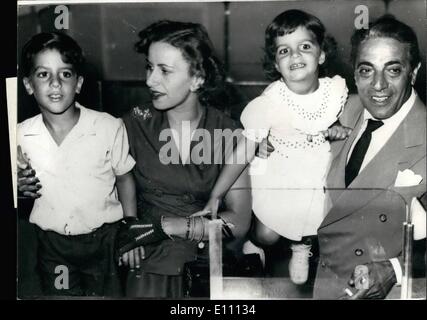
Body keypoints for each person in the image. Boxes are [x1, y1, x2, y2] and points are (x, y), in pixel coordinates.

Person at [196, 9, 351, 285]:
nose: (294, 56)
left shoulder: (334, 91)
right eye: (284, 51)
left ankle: (302, 246)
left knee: (318, 221)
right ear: (276, 64)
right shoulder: (270, 103)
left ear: (322, 54)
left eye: (304, 47)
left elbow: (335, 121)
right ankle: (256, 242)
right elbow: (243, 151)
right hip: (280, 172)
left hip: (317, 174)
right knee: (268, 234)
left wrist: (337, 128)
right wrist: (216, 196)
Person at [120, 20, 252, 298]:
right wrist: (130, 232)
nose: (150, 80)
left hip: (205, 267)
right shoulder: (132, 124)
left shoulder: (227, 131)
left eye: (164, 71)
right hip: (145, 262)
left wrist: (171, 226)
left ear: (197, 79)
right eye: (149, 67)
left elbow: (238, 222)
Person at [17, 32, 137, 296]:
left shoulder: (107, 126)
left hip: (105, 240)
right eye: (43, 74)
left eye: (66, 74)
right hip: (52, 245)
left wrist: (131, 227)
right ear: (28, 85)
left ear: (79, 83)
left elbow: (125, 177)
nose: (56, 84)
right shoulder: (20, 135)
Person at [314, 15, 426, 299]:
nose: (378, 85)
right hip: (326, 287)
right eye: (366, 70)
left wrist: (395, 269)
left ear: (413, 73)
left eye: (393, 70)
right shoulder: (339, 111)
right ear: (354, 73)